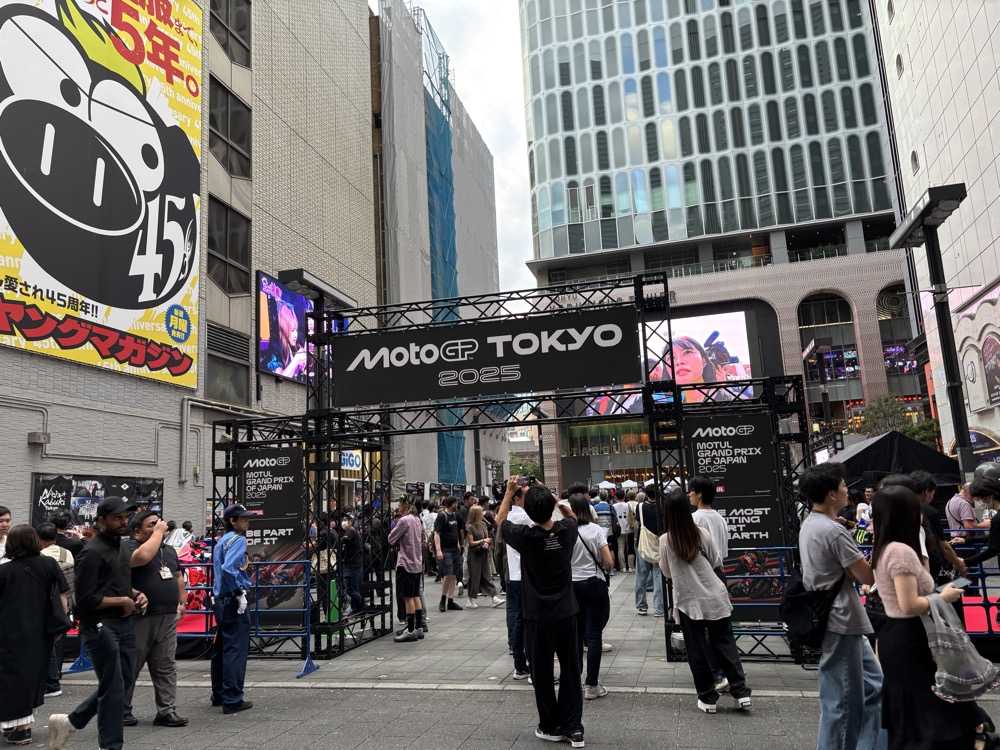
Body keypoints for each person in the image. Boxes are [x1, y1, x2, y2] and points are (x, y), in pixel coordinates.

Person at [871, 484, 977, 749]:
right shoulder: (901, 551)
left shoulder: (884, 547)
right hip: (911, 635)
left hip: (897, 634)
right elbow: (909, 604)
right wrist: (944, 596)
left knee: (912, 713)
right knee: (928, 711)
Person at [797, 464, 886, 750]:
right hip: (841, 618)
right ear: (831, 494)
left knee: (873, 683)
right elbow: (866, 576)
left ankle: (868, 743)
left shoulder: (811, 524)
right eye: (843, 485)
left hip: (835, 616)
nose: (848, 490)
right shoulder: (833, 531)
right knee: (843, 700)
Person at [49, 498, 146, 750]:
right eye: (117, 518)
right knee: (114, 687)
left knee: (122, 681)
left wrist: (135, 594)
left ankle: (72, 721)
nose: (123, 522)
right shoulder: (91, 552)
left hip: (124, 623)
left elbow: (116, 584)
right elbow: (84, 599)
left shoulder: (122, 547)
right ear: (101, 520)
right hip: (100, 625)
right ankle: (110, 745)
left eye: (125, 517)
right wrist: (122, 600)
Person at [499, 479, 584, 749]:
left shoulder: (526, 537)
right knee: (571, 669)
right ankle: (574, 727)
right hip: (566, 611)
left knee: (542, 671)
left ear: (528, 511)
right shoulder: (567, 531)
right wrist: (552, 498)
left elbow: (500, 522)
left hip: (537, 615)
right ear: (551, 507)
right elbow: (570, 513)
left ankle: (550, 725)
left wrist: (509, 493)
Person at [658, 489, 751, 713]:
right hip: (715, 596)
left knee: (697, 650)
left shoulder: (665, 540)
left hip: (688, 601)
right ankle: (741, 693)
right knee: (725, 644)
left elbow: (667, 572)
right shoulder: (701, 534)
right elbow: (716, 561)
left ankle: (708, 698)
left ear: (668, 513)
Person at [0, 526, 69, 746]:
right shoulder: (49, 564)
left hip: (9, 631)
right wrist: (61, 622)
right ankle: (21, 725)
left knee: (12, 678)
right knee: (33, 676)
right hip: (42, 630)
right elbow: (63, 594)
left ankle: (19, 727)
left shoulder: (4, 571)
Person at [122, 511, 188, 728]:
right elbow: (141, 558)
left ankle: (167, 710)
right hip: (140, 617)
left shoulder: (168, 550)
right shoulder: (129, 547)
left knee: (166, 665)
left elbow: (177, 575)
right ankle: (122, 710)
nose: (158, 526)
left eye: (159, 523)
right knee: (131, 664)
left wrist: (182, 600)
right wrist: (158, 533)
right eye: (151, 524)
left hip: (166, 616)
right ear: (137, 531)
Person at [209, 504, 255, 715]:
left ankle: (219, 694)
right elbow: (229, 569)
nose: (247, 521)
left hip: (220, 599)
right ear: (232, 520)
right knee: (236, 649)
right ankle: (233, 698)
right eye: (242, 518)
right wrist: (238, 593)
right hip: (232, 599)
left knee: (221, 648)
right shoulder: (238, 540)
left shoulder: (221, 541)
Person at [883, 472, 967, 584]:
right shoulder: (929, 512)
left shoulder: (893, 513)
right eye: (932, 493)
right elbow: (943, 546)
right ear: (926, 491)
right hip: (930, 567)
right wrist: (958, 563)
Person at [568, 492, 612, 701]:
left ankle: (574, 680)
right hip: (593, 583)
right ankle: (591, 685)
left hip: (571, 586)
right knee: (594, 635)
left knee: (575, 635)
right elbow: (608, 561)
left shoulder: (565, 531)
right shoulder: (596, 530)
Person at [37, 522, 74, 699]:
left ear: (39, 538)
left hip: (48, 604)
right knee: (59, 641)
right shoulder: (67, 553)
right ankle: (56, 674)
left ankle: (50, 681)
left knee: (47, 643)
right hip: (66, 602)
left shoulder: (41, 557)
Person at [388, 498, 426, 643]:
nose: (398, 507)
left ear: (405, 505)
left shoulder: (404, 520)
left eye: (400, 504)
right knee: (416, 595)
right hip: (417, 563)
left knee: (408, 597)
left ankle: (410, 630)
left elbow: (391, 538)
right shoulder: (417, 519)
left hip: (405, 563)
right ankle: (419, 627)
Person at [502, 486, 531, 680]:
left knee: (515, 619)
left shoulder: (510, 517)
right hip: (525, 577)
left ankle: (519, 665)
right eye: (527, 495)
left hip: (513, 575)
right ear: (517, 498)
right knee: (526, 622)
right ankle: (529, 665)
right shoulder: (524, 518)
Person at [465, 505, 504, 608]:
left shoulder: (483, 524)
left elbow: (487, 537)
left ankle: (494, 597)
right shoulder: (469, 527)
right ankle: (470, 599)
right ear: (476, 514)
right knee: (474, 577)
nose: (483, 514)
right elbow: (471, 543)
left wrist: (487, 542)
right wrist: (483, 541)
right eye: (481, 512)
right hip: (474, 555)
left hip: (484, 553)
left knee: (487, 576)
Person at [634, 490, 665, 617]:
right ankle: (659, 608)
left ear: (647, 494)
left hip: (643, 545)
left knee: (641, 576)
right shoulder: (663, 507)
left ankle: (641, 606)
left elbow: (637, 523)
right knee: (658, 577)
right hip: (659, 545)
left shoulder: (640, 507)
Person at [434, 497, 464, 613]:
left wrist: (458, 544)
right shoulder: (442, 516)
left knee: (454, 575)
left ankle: (450, 601)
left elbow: (455, 532)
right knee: (447, 575)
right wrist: (438, 550)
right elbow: (437, 533)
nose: (457, 505)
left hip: (455, 550)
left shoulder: (455, 516)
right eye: (455, 503)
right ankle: (443, 600)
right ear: (451, 504)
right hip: (446, 550)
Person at [690, 476, 728, 561]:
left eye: (692, 490)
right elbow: (724, 552)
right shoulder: (721, 519)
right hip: (719, 567)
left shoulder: (693, 518)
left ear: (699, 494)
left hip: (700, 568)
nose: (689, 494)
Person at [613, 490, 634, 572]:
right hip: (628, 528)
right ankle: (631, 567)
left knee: (620, 548)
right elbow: (631, 516)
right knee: (630, 548)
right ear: (624, 496)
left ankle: (623, 567)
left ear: (616, 497)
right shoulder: (627, 505)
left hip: (619, 529)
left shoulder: (613, 506)